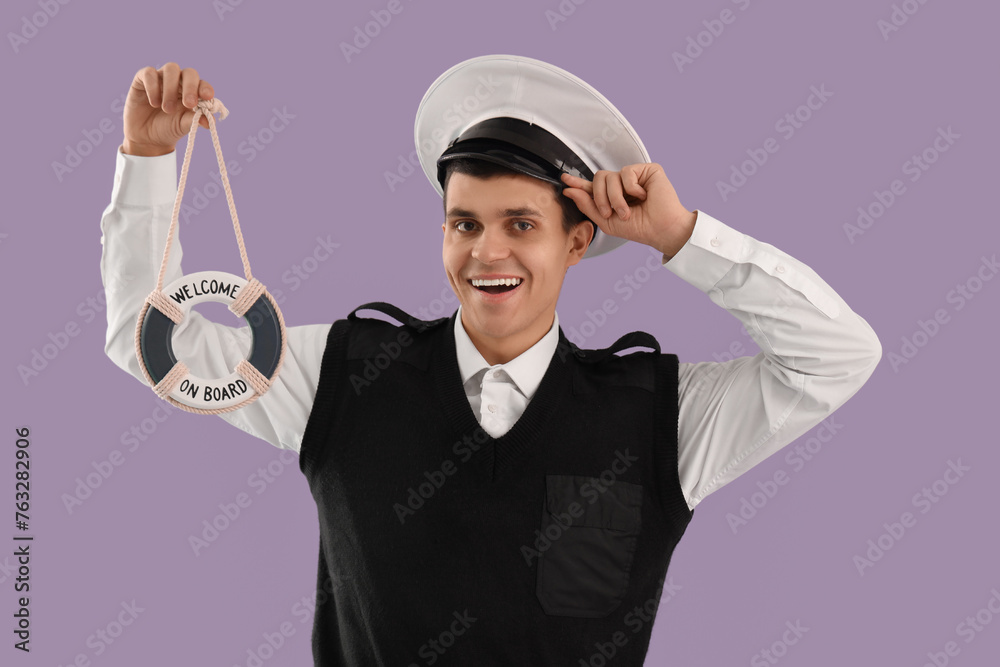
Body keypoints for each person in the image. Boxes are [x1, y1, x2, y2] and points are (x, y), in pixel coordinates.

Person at [100, 57, 882, 666]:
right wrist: (147, 158)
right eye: (464, 223)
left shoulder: (659, 415)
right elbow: (152, 349)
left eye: (520, 222)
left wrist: (682, 236)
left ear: (577, 240)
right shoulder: (339, 374)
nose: (487, 251)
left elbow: (838, 357)